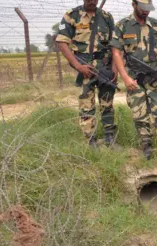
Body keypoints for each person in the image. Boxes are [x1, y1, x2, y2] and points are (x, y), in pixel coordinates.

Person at [109, 0, 157, 167]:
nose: (146, 12)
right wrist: (125, 77)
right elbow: (116, 52)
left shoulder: (156, 25)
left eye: (148, 9)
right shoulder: (122, 25)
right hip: (134, 78)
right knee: (139, 114)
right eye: (143, 8)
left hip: (154, 78)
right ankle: (146, 147)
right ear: (134, 5)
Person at [55, 0, 118, 149]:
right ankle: (91, 141)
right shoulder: (72, 16)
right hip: (85, 68)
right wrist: (78, 66)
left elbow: (114, 44)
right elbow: (62, 43)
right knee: (86, 106)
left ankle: (110, 138)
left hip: (105, 67)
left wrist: (115, 68)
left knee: (107, 104)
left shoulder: (106, 17)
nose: (92, 1)